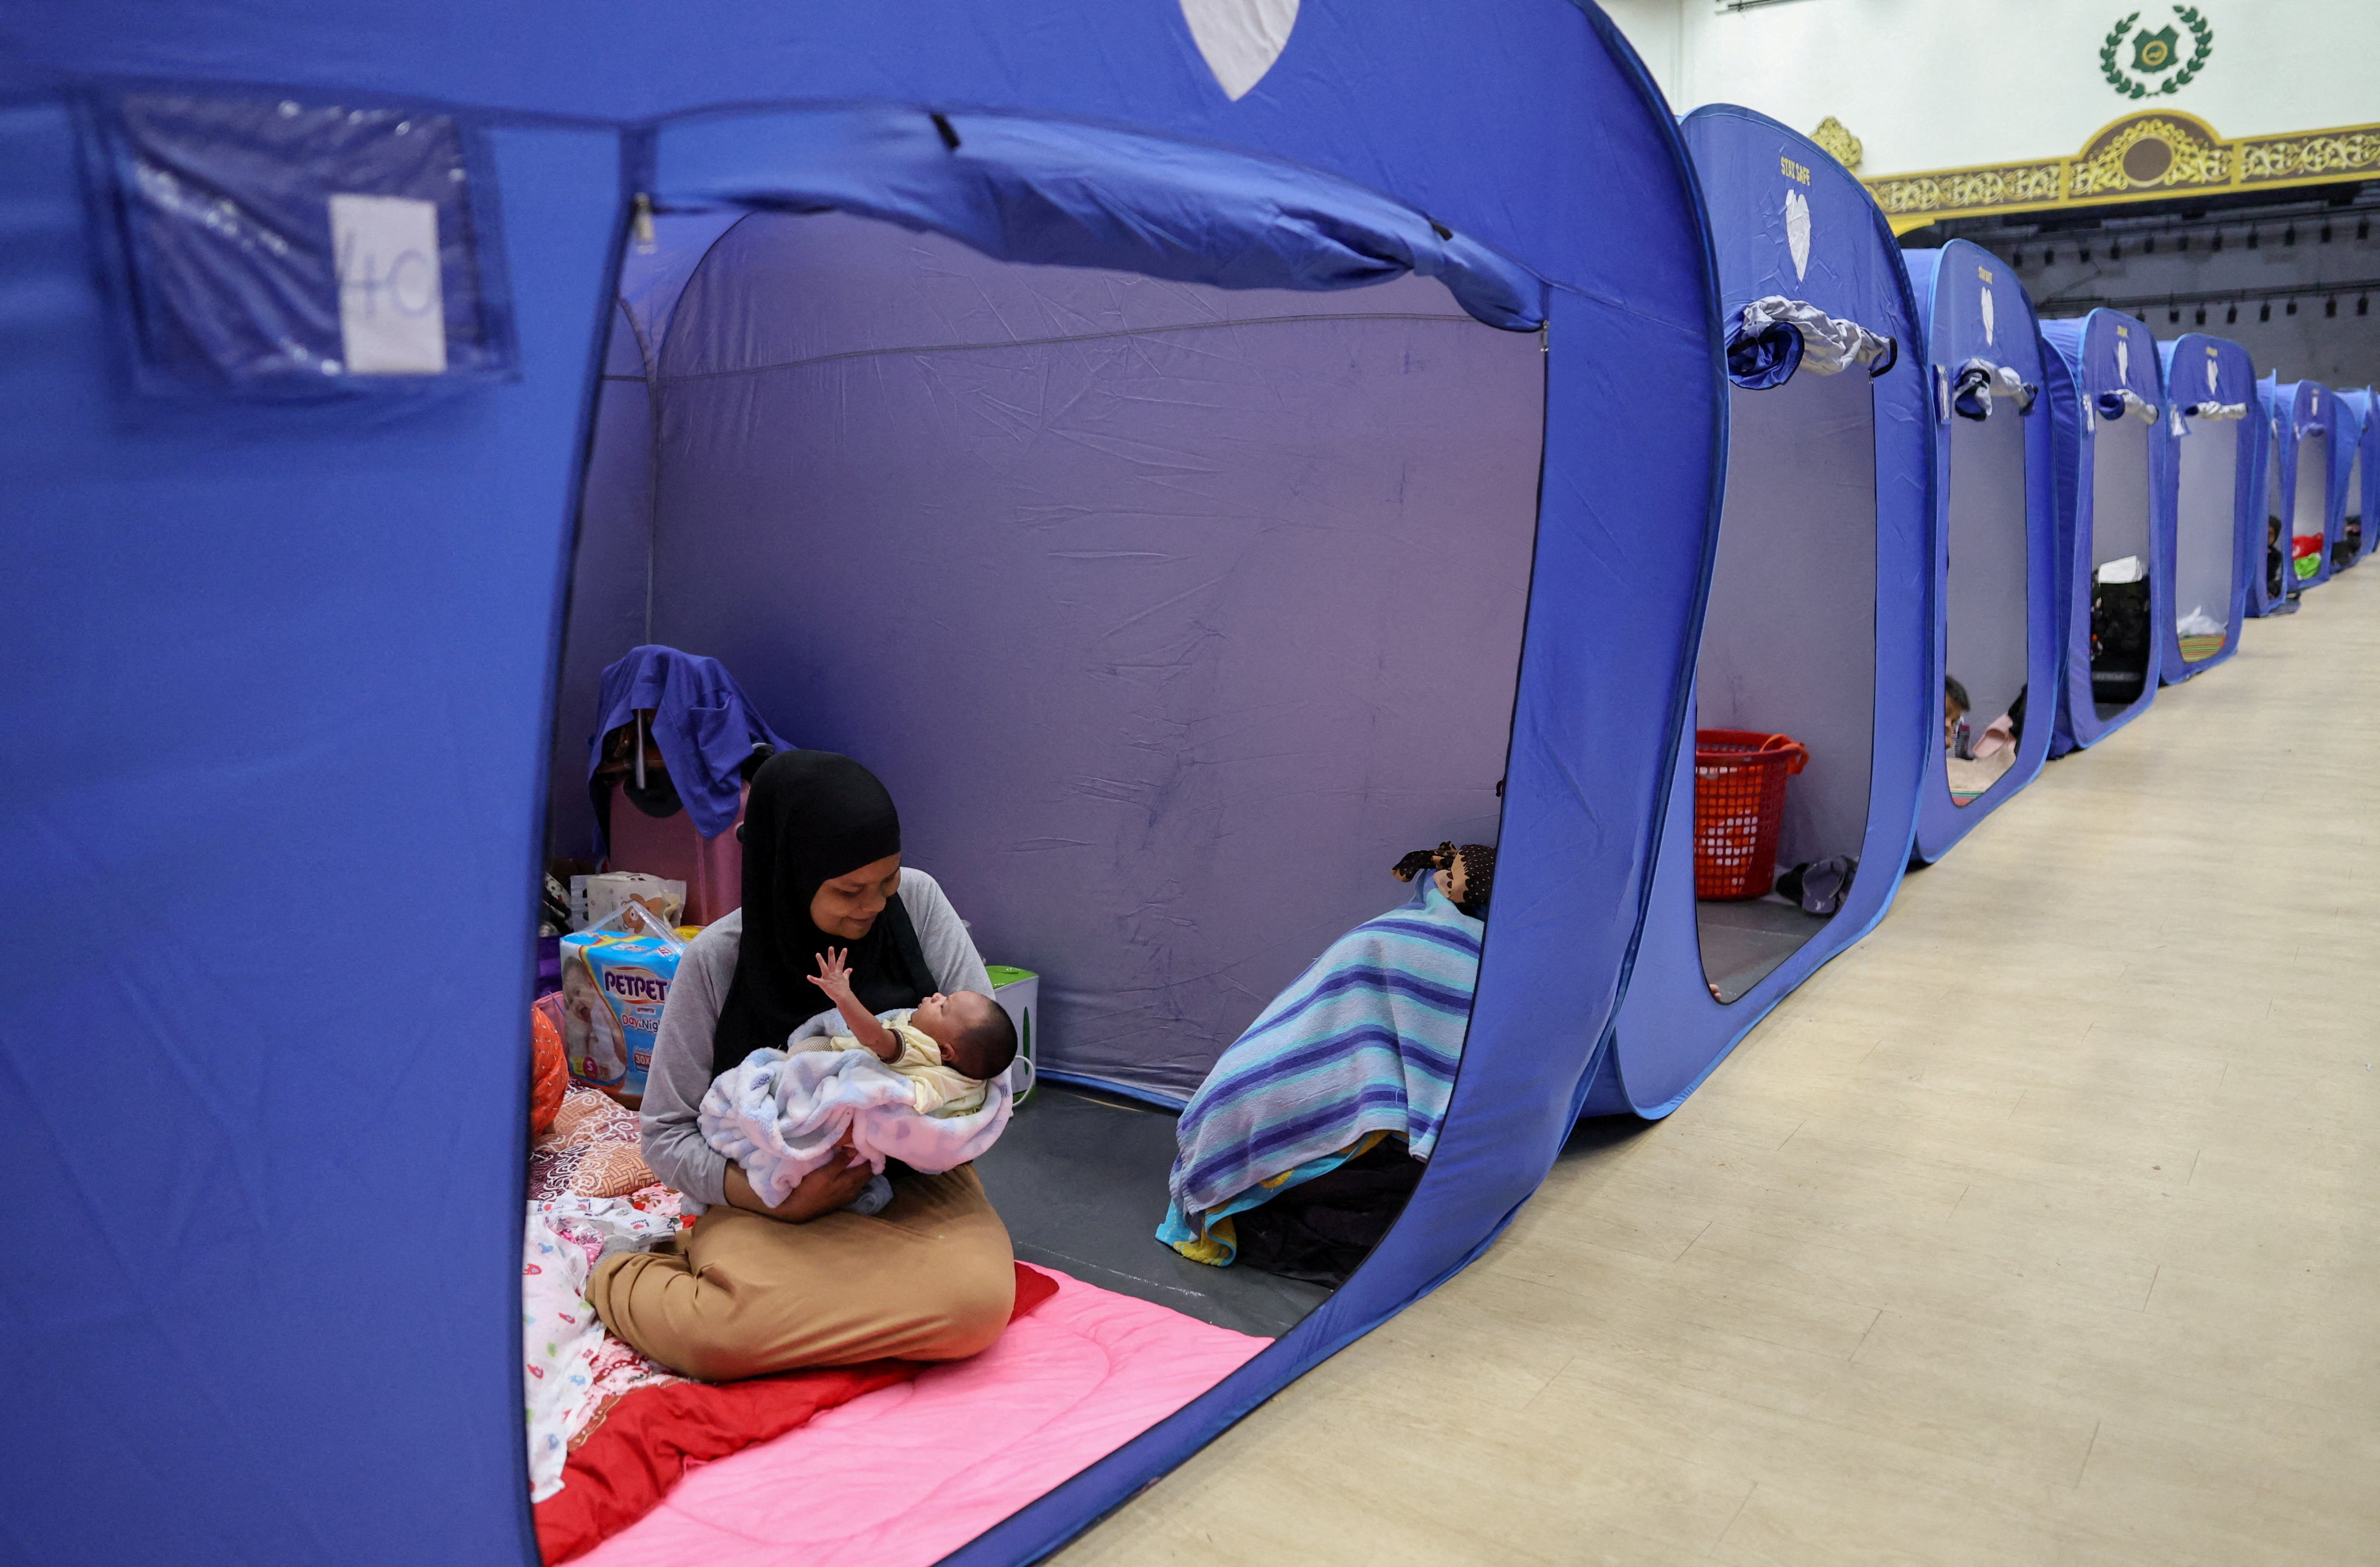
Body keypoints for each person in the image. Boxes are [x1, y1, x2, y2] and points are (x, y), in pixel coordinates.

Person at [585, 750, 1016, 1382]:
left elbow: (987, 1065)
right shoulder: (717, 960)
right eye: (849, 891)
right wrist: (779, 1202)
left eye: (887, 881)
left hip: (912, 1183)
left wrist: (916, 1128)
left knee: (977, 1306)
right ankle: (624, 1269)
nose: (875, 905)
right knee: (720, 1338)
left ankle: (800, 1305)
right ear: (786, 873)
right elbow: (666, 1134)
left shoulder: (918, 905)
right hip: (768, 1188)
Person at [803, 946, 1018, 1115]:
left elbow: (875, 1038)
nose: (937, 996)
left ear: (944, 1051)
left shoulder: (919, 1047)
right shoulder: (970, 1083)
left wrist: (843, 996)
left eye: (943, 1007)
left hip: (856, 1088)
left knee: (802, 1055)